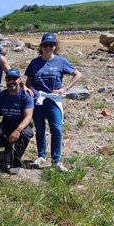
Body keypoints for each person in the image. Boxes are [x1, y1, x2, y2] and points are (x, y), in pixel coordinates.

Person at [25, 32, 83, 172]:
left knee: (56, 129)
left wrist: (65, 88)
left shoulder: (61, 61)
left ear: (55, 47)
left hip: (54, 100)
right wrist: (30, 91)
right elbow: (28, 82)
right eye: (45, 45)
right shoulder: (35, 63)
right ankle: (41, 156)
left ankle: (56, 161)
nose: (48, 47)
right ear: (41, 46)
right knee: (40, 129)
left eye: (51, 45)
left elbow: (77, 74)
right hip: (39, 100)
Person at [0, 69, 35, 175]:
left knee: (26, 134)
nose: (11, 81)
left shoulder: (26, 96)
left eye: (14, 79)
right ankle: (0, 155)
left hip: (21, 124)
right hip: (6, 123)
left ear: (20, 80)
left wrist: (18, 130)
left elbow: (28, 117)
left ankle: (15, 162)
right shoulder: (1, 95)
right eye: (8, 79)